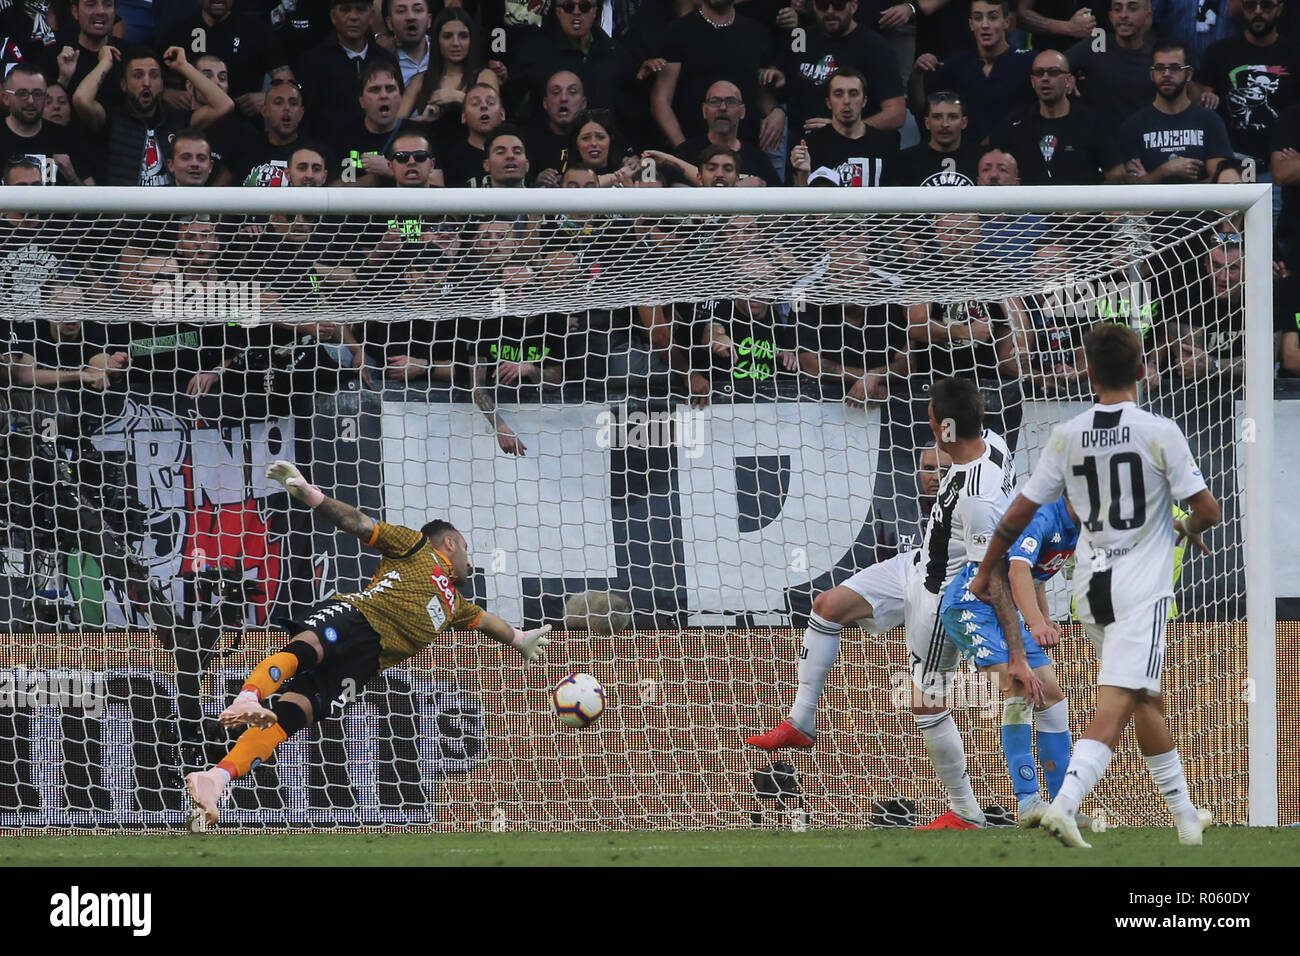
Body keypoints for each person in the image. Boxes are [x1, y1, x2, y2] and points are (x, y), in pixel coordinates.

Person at [184, 460, 554, 830]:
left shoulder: (457, 606)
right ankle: (248, 697)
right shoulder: (417, 547)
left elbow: (488, 623)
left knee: (291, 717)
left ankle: (216, 779)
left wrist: (519, 638)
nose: (469, 562)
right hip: (359, 616)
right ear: (451, 543)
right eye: (467, 551)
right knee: (307, 648)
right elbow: (359, 523)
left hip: (363, 665)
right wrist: (313, 496)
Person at [969, 322, 1221, 848]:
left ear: (1089, 373)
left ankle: (1184, 814)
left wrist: (985, 565)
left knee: (1145, 695)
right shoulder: (1160, 430)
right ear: (1142, 370)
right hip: (1141, 588)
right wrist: (1186, 528)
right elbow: (1208, 511)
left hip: (1090, 588)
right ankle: (1064, 804)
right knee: (1121, 697)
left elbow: (1019, 511)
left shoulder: (1068, 433)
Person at [746, 443, 953, 750]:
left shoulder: (973, 501)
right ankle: (800, 719)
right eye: (929, 468)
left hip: (952, 580)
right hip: (912, 566)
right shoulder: (901, 508)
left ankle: (965, 798)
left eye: (945, 470)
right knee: (826, 605)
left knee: (927, 701)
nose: (935, 476)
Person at [939, 489, 1081, 827]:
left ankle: (1063, 808)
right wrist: (1035, 623)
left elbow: (1035, 578)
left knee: (1052, 695)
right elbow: (1016, 571)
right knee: (1019, 687)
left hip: (1005, 611)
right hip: (971, 605)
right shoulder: (1044, 516)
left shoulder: (1079, 525)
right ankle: (1028, 800)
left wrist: (1044, 620)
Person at [72, 46, 233, 185]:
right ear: (124, 85)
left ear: (162, 84)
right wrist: (105, 63)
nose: (147, 82)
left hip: (168, 217)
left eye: (154, 75)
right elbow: (81, 99)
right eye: (138, 75)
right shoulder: (111, 118)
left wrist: (184, 66)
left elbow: (224, 105)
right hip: (124, 216)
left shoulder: (178, 119)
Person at [1194, 0, 1300, 180]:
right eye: (1251, 5)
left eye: (1266, 5)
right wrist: (1205, 97)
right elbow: (1196, 98)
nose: (1258, 11)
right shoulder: (1219, 52)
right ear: (1242, 8)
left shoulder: (1295, 55)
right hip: (1232, 165)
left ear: (1279, 8)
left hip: (1278, 164)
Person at [776, 0, 907, 143]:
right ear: (814, 6)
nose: (830, 12)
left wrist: (843, 129)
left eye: (839, 5)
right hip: (803, 149)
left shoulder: (875, 47)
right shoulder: (800, 38)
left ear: (853, 6)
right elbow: (780, 77)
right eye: (823, 5)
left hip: (854, 148)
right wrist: (775, 107)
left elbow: (896, 114)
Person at [912, 0, 1035, 144]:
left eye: (993, 17)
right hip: (967, 158)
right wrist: (917, 74)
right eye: (978, 18)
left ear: (1006, 22)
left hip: (1015, 154)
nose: (985, 25)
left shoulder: (1029, 62)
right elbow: (919, 108)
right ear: (971, 24)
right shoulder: (956, 65)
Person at [989, 50, 1121, 184]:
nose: (1045, 78)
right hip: (1027, 203)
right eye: (1039, 73)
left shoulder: (1094, 124)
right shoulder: (1014, 124)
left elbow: (1116, 175)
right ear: (1033, 81)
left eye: (1053, 72)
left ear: (1069, 80)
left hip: (1078, 203)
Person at [1111, 42, 1233, 183]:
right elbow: (1132, 189)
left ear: (1189, 74)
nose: (1166, 74)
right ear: (1151, 74)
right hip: (1151, 205)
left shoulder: (1209, 120)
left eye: (1175, 68)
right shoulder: (1134, 125)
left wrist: (1155, 181)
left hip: (1200, 204)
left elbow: (1221, 181)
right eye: (1160, 68)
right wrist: (1166, 171)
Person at [295, 0, 400, 139]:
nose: (353, 17)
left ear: (371, 16)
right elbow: (307, 117)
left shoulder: (386, 59)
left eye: (360, 9)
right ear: (333, 16)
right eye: (345, 9)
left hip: (379, 149)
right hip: (328, 150)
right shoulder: (313, 61)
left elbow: (397, 107)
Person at [791, 68, 899, 186]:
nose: (846, 101)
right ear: (828, 102)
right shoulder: (810, 145)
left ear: (864, 101)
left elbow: (897, 198)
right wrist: (803, 174)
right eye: (838, 94)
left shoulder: (886, 144)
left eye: (853, 94)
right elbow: (805, 201)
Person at [1064, 0, 1158, 127]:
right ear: (1110, 16)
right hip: (1098, 139)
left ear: (1148, 16)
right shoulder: (1096, 44)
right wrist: (1065, 75)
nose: (1123, 15)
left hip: (1143, 138)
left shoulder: (1157, 56)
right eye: (1118, 9)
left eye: (1132, 8)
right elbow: (1051, 65)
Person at [671, 81, 781, 186]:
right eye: (715, 101)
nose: (723, 108)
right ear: (704, 110)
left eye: (731, 102)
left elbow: (779, 200)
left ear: (742, 111)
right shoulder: (686, 153)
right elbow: (675, 196)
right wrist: (737, 188)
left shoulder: (758, 159)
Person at [0, 63, 89, 185]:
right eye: (22, 94)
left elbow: (93, 200)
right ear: (5, 98)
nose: (30, 101)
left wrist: (72, 177)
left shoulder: (67, 138)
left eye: (37, 94)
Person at [893, 90, 980, 185]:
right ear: (927, 123)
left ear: (964, 122)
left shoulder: (982, 160)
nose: (945, 124)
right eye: (937, 117)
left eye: (952, 117)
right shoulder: (905, 161)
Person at [439, 81, 504, 186]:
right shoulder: (452, 158)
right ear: (463, 117)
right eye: (475, 103)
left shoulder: (517, 150)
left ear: (502, 114)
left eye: (490, 103)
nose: (484, 107)